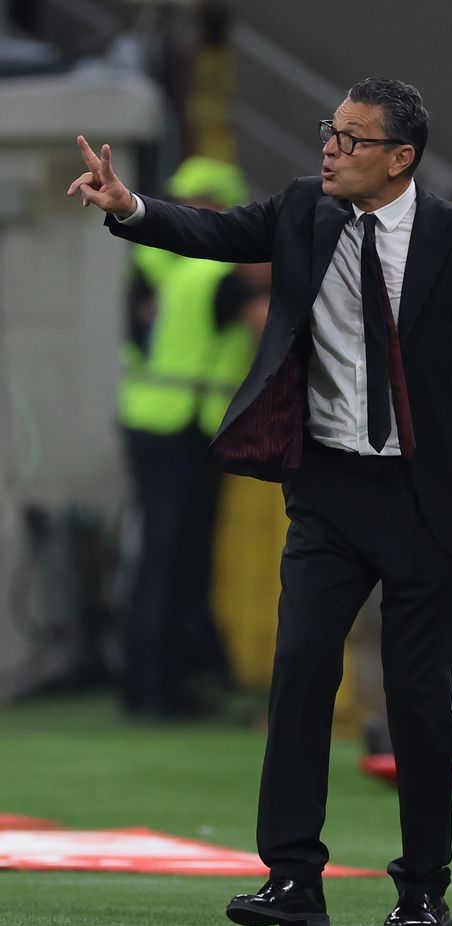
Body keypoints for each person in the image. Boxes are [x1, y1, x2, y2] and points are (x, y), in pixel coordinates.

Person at [68, 77, 452, 926]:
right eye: (330, 131)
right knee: (298, 676)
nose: (330, 147)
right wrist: (131, 204)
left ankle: (423, 887)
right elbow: (212, 232)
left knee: (415, 700)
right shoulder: (301, 210)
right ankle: (294, 878)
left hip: (426, 498)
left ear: (400, 159)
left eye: (353, 139)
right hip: (327, 491)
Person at [118, 157, 269, 718]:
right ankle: (160, 687)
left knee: (165, 555)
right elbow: (272, 327)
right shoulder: (215, 274)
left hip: (155, 420)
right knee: (173, 556)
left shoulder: (159, 264)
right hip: (179, 426)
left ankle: (156, 681)